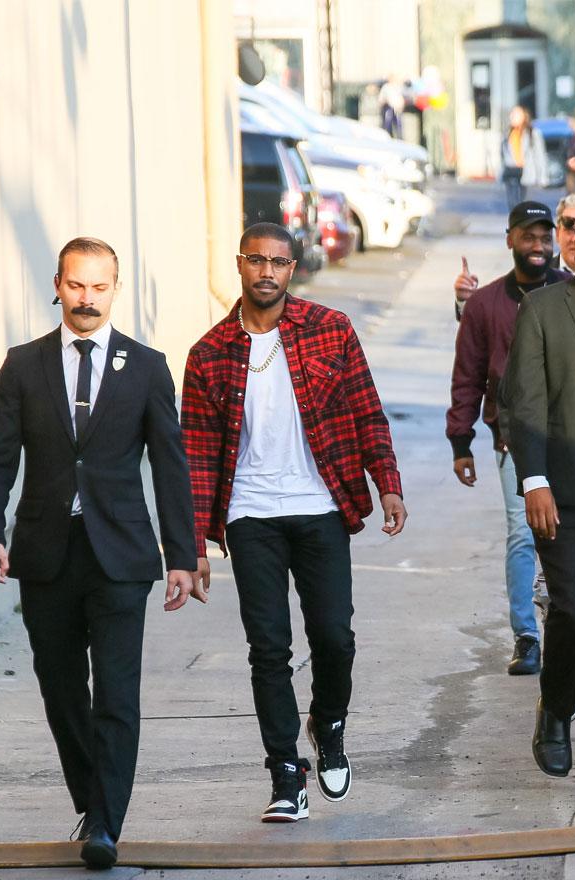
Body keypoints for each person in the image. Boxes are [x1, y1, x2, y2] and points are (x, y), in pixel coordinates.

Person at [0, 237, 200, 869]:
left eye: (100, 287)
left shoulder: (148, 366)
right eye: (77, 285)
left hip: (122, 555)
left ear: (114, 289)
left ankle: (104, 823)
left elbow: (170, 466)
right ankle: (90, 794)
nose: (88, 298)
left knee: (117, 694)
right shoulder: (23, 365)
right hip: (45, 553)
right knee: (61, 686)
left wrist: (181, 553)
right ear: (58, 285)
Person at [183, 223, 407, 824]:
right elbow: (197, 454)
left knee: (335, 636)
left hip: (321, 507)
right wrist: (194, 542)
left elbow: (367, 412)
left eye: (278, 263)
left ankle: (328, 721)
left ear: (293, 267)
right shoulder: (208, 354)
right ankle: (286, 772)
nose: (267, 272)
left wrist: (387, 483)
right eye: (256, 261)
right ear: (239, 264)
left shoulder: (331, 331)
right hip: (251, 514)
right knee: (268, 649)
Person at [501, 204, 575, 777]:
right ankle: (558, 710)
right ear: (573, 243)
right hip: (565, 491)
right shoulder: (544, 308)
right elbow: (525, 401)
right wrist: (533, 480)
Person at [449, 201, 571, 676]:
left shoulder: (572, 292)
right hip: (512, 441)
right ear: (510, 239)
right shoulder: (486, 305)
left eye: (545, 237)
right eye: (529, 236)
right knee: (524, 534)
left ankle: (574, 625)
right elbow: (468, 375)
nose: (538, 246)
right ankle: (527, 636)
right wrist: (460, 440)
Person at [501, 105, 548, 210]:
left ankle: (525, 225)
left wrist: (542, 177)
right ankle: (515, 225)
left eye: (516, 114)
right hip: (511, 172)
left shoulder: (532, 133)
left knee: (526, 206)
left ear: (523, 116)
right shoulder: (507, 133)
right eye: (511, 114)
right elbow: (502, 155)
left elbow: (540, 155)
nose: (512, 117)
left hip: (527, 173)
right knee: (512, 205)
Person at [378, 74, 405, 138]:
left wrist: (401, 105)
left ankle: (399, 139)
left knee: (398, 126)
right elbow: (381, 99)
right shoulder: (386, 87)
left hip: (397, 108)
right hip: (389, 108)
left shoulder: (398, 87)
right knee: (387, 124)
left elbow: (401, 98)